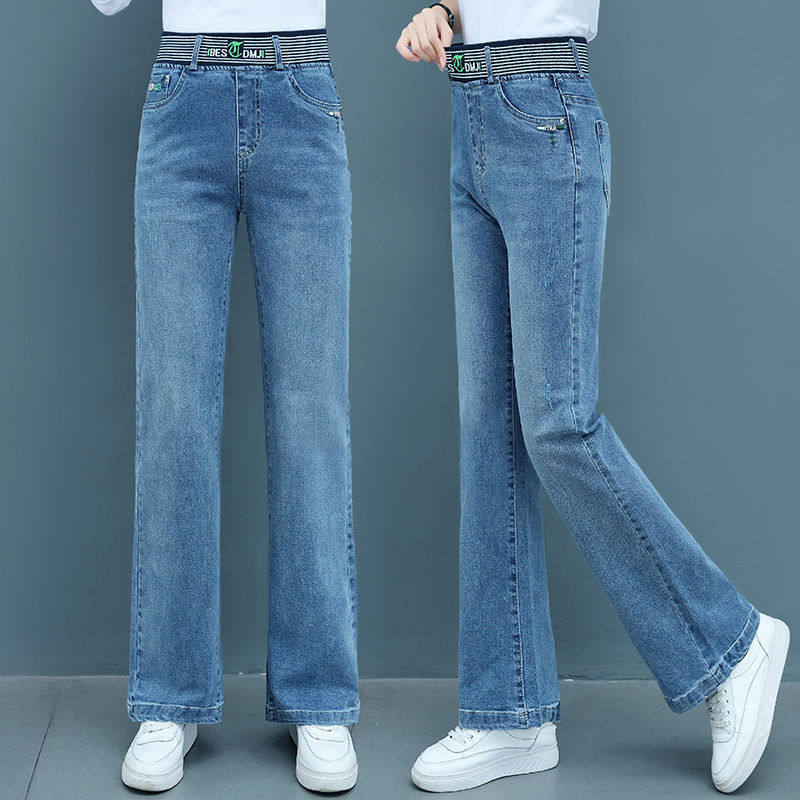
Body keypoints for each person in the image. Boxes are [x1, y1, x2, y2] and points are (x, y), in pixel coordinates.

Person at [396, 2, 789, 794]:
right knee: (490, 428)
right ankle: (509, 714)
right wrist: (443, 11)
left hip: (544, 107)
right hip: (470, 110)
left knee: (559, 422)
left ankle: (731, 643)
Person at [90, 0, 359, 792]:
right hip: (183, 94)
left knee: (312, 410)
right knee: (174, 410)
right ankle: (169, 698)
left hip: (301, 90)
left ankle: (318, 697)